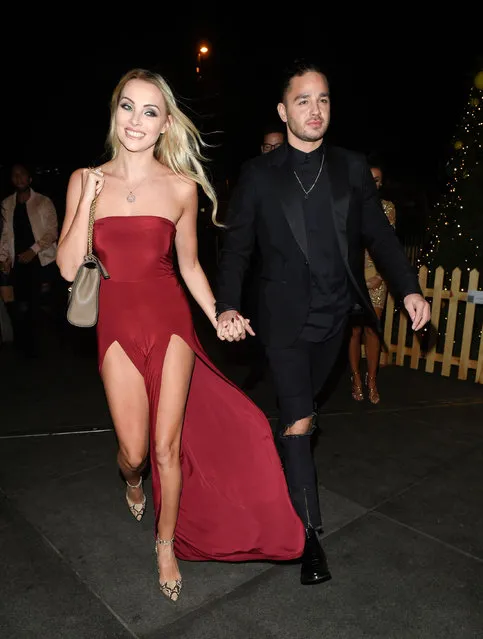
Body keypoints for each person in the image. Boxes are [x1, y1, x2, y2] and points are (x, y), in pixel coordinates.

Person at [56, 68, 304, 602]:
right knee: (137, 452)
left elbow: (190, 265)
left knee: (168, 447)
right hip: (116, 327)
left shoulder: (182, 186)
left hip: (171, 323)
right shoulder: (85, 178)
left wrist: (218, 314)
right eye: (128, 107)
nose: (136, 121)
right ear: (114, 112)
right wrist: (87, 199)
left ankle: (166, 542)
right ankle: (130, 481)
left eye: (150, 111)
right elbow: (66, 266)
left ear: (166, 123)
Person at [215, 59, 431, 586]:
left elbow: (379, 236)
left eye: (324, 99)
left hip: (335, 318)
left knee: (302, 413)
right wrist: (227, 304)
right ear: (284, 110)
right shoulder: (260, 174)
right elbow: (237, 248)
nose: (316, 109)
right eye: (304, 100)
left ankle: (287, 448)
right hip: (283, 321)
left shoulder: (351, 168)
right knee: (300, 418)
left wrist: (409, 290)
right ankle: (309, 539)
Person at [348, 158, 396, 403]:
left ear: (380, 184)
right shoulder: (347, 205)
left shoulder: (387, 208)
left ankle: (372, 379)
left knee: (372, 329)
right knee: (354, 330)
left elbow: (386, 246)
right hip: (354, 276)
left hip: (377, 276)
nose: (371, 183)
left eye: (376, 180)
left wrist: (379, 276)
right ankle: (356, 377)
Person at [0, 163, 58, 357]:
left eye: (22, 174)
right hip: (17, 261)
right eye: (14, 175)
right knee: (16, 304)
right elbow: (5, 235)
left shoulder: (43, 201)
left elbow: (52, 232)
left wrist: (33, 250)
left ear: (29, 178)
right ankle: (23, 342)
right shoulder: (7, 204)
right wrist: (4, 258)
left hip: (39, 259)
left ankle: (34, 347)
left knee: (34, 304)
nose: (18, 178)